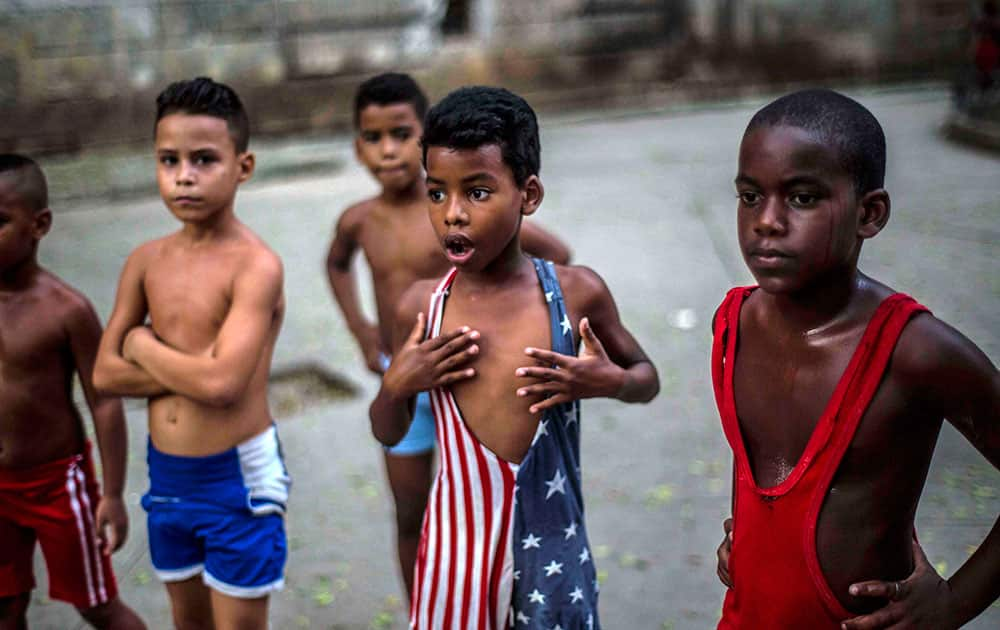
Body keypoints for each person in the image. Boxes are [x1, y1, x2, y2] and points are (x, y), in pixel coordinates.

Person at [369, 86, 659, 629]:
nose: (452, 214)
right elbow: (388, 431)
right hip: (456, 562)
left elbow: (647, 379)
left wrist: (610, 381)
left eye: (477, 193)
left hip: (554, 552)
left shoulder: (576, 294)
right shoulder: (420, 307)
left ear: (528, 194)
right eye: (437, 194)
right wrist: (396, 385)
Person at [712, 89, 999, 629]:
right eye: (750, 196)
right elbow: (757, 457)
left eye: (801, 198)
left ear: (870, 213)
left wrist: (953, 605)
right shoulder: (732, 325)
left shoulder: (914, 351)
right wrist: (749, 536)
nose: (766, 221)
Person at [326, 72, 572, 600]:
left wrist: (527, 322)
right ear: (357, 147)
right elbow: (336, 265)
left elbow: (556, 255)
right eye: (374, 138)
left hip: (475, 376)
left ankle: (490, 600)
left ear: (423, 139)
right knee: (411, 511)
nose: (388, 151)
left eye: (401, 134)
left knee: (488, 509)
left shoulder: (457, 209)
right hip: (409, 373)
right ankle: (425, 608)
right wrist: (363, 331)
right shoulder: (359, 220)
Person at [93, 77, 290, 630]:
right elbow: (104, 374)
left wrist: (139, 342)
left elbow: (223, 386)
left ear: (242, 167)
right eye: (168, 159)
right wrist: (191, 365)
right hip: (169, 478)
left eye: (204, 159)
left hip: (237, 480)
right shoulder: (145, 261)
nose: (183, 175)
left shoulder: (256, 265)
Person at [0, 154, 145, 629]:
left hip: (56, 484)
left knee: (98, 605)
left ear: (39, 224)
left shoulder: (66, 310)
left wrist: (115, 493)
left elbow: (104, 399)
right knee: (6, 605)